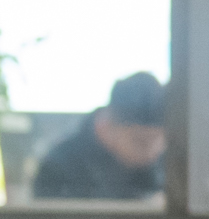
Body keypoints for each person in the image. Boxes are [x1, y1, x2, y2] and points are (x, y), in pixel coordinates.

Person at [31, 71, 168, 200]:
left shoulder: (166, 163)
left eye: (160, 140)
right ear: (105, 126)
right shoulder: (59, 169)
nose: (152, 151)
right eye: (141, 142)